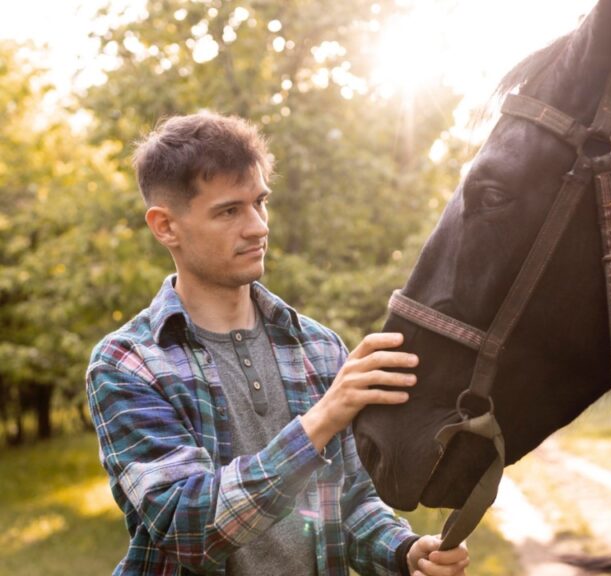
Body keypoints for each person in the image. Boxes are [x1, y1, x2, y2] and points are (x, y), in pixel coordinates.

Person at [85, 112, 470, 576]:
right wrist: (319, 422)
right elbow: (186, 527)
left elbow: (348, 503)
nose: (258, 227)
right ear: (166, 226)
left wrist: (403, 550)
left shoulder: (318, 347)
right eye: (229, 211)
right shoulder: (128, 363)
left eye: (260, 202)